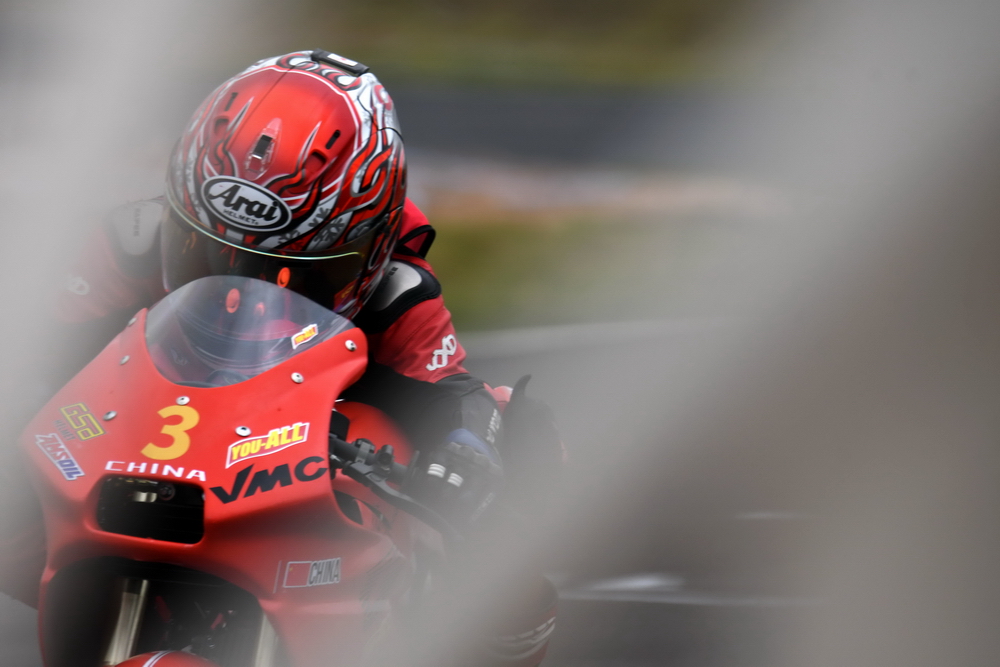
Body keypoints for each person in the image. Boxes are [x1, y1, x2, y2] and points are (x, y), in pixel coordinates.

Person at [1, 50, 559, 666]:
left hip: (301, 457)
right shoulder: (127, 244)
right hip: (141, 446)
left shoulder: (397, 290)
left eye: (291, 274)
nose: (243, 290)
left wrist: (465, 456)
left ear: (369, 248)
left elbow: (457, 396)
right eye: (205, 255)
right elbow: (34, 347)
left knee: (515, 446)